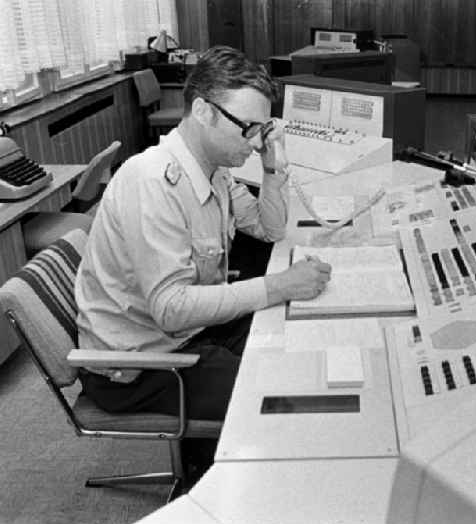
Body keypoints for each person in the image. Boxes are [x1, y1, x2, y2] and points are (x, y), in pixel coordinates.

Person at [74, 46, 331, 479]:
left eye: (262, 129)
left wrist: (272, 167)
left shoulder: (213, 167)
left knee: (297, 338)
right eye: (248, 129)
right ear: (203, 112)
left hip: (187, 334)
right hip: (141, 367)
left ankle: (216, 461)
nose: (255, 142)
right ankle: (224, 490)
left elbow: (269, 229)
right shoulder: (152, 181)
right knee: (282, 395)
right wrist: (279, 286)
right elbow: (171, 310)